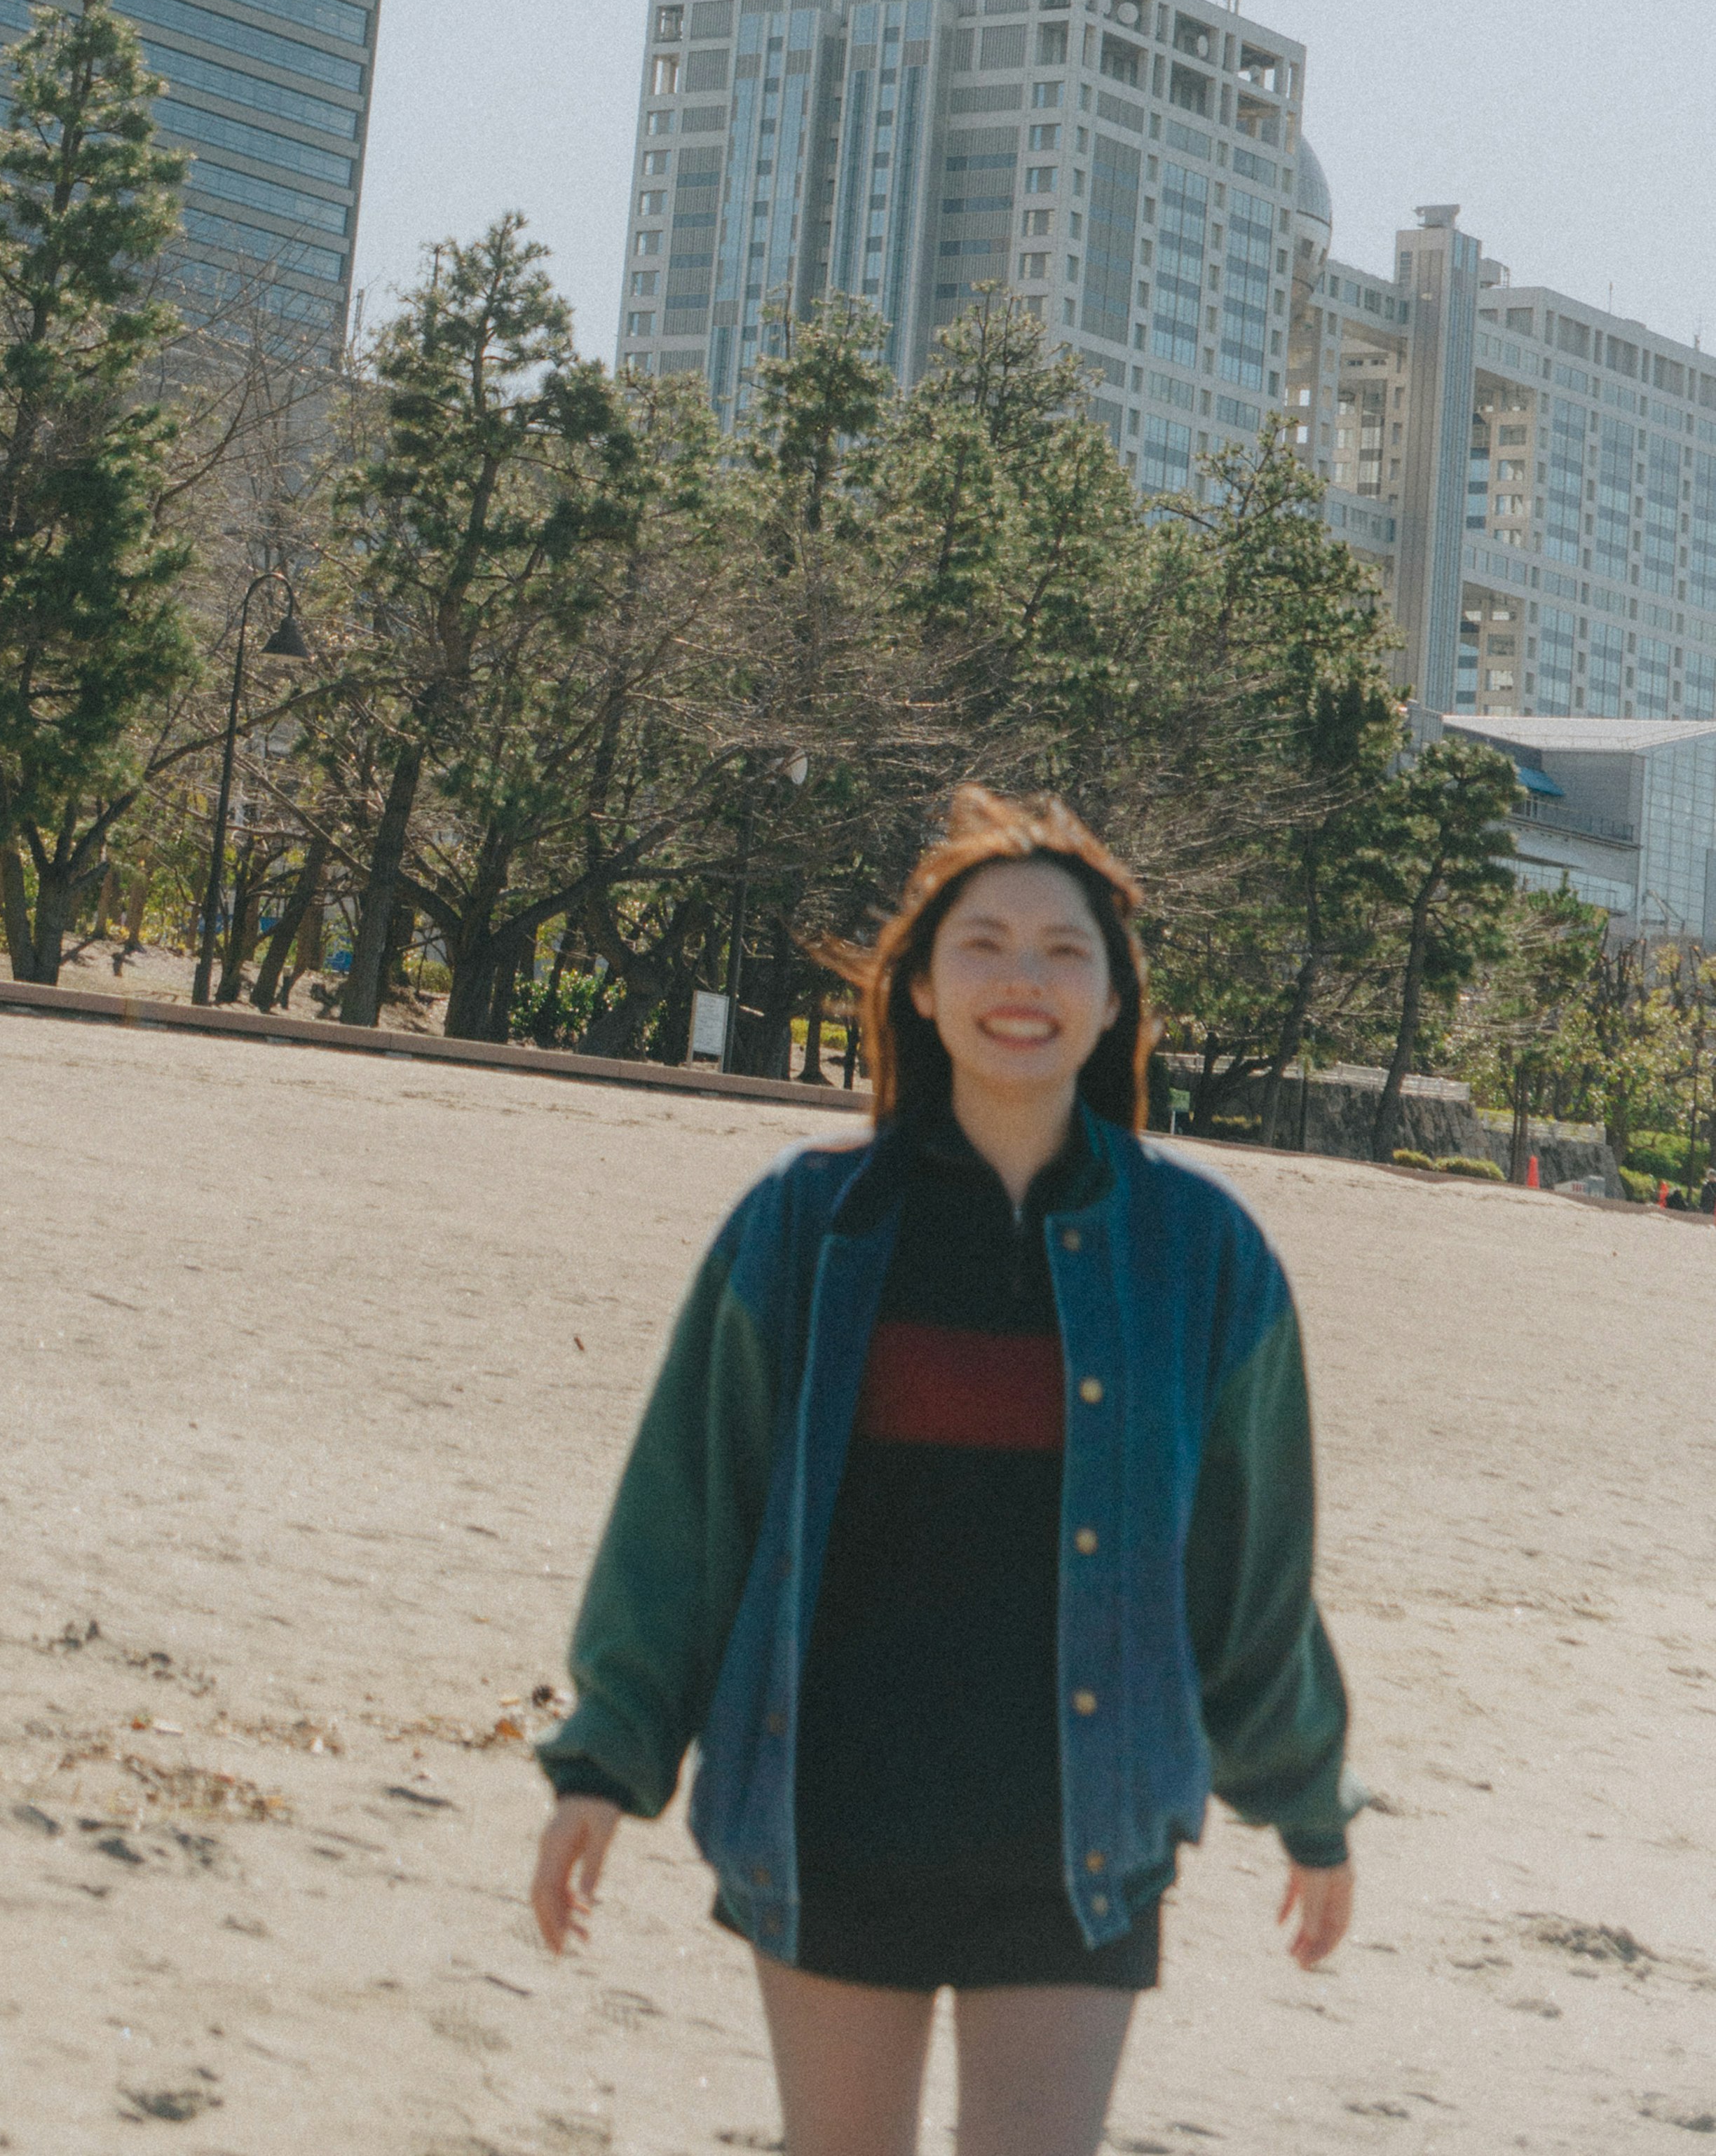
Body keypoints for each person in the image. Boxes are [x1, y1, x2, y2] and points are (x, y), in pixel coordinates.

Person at [529, 786, 1356, 2156]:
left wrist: (1309, 1805)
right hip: (831, 1804)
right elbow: (690, 1510)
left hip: (1076, 1837)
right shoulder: (805, 1224)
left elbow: (1251, 1575)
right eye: (982, 944)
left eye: (1063, 951)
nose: (1021, 979)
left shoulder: (1201, 1255)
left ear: (1112, 1003)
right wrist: (602, 1763)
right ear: (918, 988)